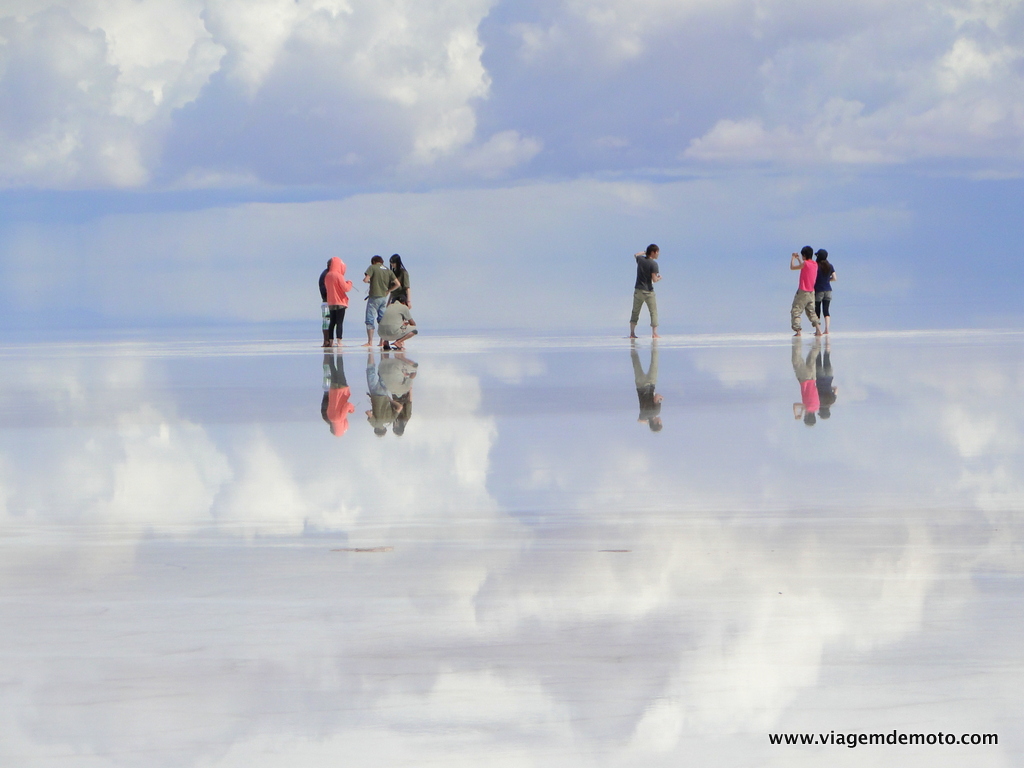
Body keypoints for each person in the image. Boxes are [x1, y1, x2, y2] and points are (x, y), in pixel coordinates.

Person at [363, 255, 400, 347]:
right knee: (382, 320)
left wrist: (371, 282)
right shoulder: (388, 270)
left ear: (373, 261)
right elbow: (397, 284)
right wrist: (389, 290)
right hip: (384, 297)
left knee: (370, 319)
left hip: (374, 297)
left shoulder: (372, 268)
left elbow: (366, 279)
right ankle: (382, 342)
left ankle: (370, 342)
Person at [379, 351, 418, 436]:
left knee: (399, 371)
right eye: (394, 428)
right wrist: (410, 389)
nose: (393, 426)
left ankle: (398, 352)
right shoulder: (406, 417)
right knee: (403, 370)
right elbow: (409, 402)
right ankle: (400, 351)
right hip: (403, 393)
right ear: (398, 427)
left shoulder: (396, 418)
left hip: (396, 393)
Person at [365, 351, 403, 436]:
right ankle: (371, 351)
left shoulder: (391, 419)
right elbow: (368, 413)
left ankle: (383, 349)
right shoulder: (375, 424)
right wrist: (372, 411)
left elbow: (400, 407)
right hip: (375, 394)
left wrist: (390, 400)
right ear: (376, 429)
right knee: (371, 372)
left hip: (386, 394)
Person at [630, 244, 661, 339]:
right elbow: (654, 280)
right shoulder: (654, 264)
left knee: (635, 311)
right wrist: (659, 278)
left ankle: (632, 333)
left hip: (638, 290)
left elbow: (636, 254)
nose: (658, 254)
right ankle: (654, 334)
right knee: (653, 312)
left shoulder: (641, 260)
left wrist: (644, 252)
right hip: (648, 291)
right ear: (653, 252)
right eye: (657, 252)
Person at [789, 246, 821, 337]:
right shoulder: (815, 264)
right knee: (811, 311)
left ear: (804, 255)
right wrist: (799, 259)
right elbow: (804, 267)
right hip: (811, 292)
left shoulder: (805, 264)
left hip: (803, 291)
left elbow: (792, 267)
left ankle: (798, 330)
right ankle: (818, 329)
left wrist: (793, 258)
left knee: (796, 310)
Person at [321, 351, 354, 437]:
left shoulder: (340, 418)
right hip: (333, 390)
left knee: (340, 370)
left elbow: (348, 405)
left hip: (342, 391)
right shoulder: (330, 417)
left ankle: (339, 354)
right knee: (333, 370)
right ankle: (330, 353)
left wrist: (352, 410)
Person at [631, 341, 663, 431]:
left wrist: (661, 397)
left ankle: (655, 344)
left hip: (650, 383)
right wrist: (648, 422)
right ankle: (632, 345)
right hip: (640, 386)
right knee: (636, 363)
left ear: (656, 422)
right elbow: (639, 420)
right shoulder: (643, 415)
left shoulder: (656, 411)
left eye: (660, 422)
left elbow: (656, 397)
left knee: (654, 363)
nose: (661, 420)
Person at [323, 257, 353, 347]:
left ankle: (331, 341)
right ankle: (339, 341)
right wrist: (350, 283)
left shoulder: (327, 276)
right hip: (340, 302)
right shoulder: (338, 275)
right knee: (339, 322)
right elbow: (346, 288)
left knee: (332, 322)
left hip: (331, 302)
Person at [792, 336, 820, 426]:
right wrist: (797, 414)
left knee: (812, 358)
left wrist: (804, 410)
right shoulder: (806, 407)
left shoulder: (817, 406)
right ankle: (797, 341)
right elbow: (795, 405)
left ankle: (818, 342)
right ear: (806, 417)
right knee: (796, 360)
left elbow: (809, 403)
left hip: (813, 378)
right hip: (804, 379)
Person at [813, 249, 836, 334]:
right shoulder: (830, 266)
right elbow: (834, 278)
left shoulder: (816, 266)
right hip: (828, 289)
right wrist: (827, 280)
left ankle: (817, 330)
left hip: (818, 290)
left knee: (817, 311)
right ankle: (827, 329)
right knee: (826, 311)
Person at [815, 337, 838, 419]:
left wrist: (829, 387)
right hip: (819, 377)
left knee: (827, 356)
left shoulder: (832, 401)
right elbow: (814, 390)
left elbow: (836, 389)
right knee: (817, 357)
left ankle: (827, 340)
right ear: (821, 411)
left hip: (829, 377)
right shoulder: (818, 402)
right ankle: (817, 340)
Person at [319, 259, 331, 347]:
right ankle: (326, 341)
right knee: (327, 321)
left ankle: (327, 341)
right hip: (327, 301)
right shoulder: (327, 275)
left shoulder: (326, 274)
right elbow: (325, 289)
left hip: (326, 301)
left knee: (327, 321)